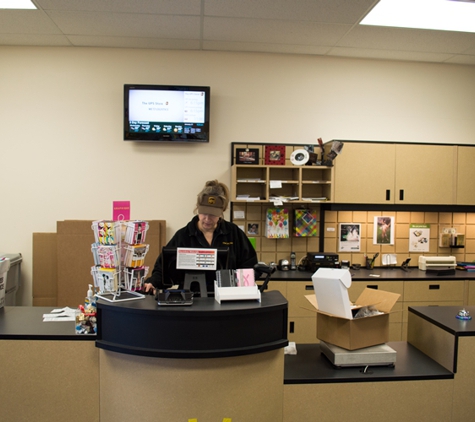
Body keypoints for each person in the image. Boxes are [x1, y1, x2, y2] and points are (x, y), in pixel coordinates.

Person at [143, 180, 258, 294]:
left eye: (213, 214)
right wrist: (153, 282)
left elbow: (249, 264)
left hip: (226, 299)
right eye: (203, 213)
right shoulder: (183, 236)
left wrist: (241, 287)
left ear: (221, 211)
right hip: (191, 300)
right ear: (197, 208)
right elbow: (163, 268)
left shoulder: (234, 233)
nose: (207, 219)